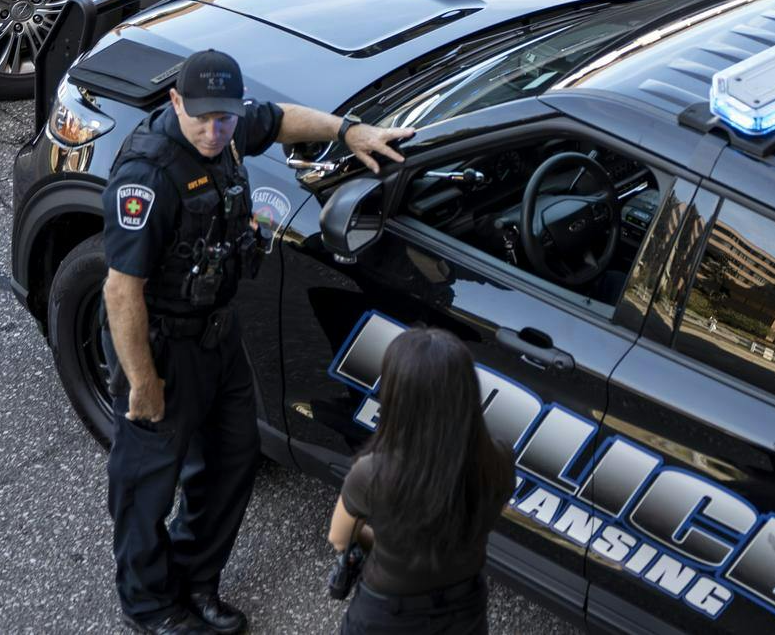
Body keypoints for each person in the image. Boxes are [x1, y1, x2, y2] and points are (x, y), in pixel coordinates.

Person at [104, 49, 413, 635]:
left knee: (231, 459)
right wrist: (143, 382)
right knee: (148, 480)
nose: (214, 131)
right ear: (176, 102)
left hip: (219, 335)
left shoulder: (229, 125)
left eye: (224, 119)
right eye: (202, 119)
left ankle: (196, 579)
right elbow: (121, 292)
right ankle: (149, 605)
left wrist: (349, 131)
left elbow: (281, 119)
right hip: (162, 347)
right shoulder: (149, 174)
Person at [329, 328, 515, 635]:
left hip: (388, 615)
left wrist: (391, 541)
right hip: (464, 609)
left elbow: (340, 537)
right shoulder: (499, 459)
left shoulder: (372, 473)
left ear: (397, 397)